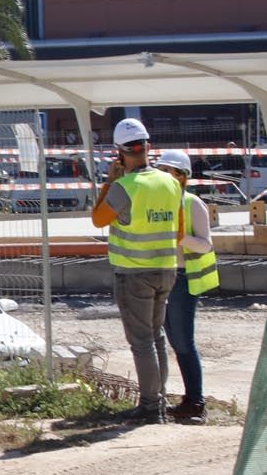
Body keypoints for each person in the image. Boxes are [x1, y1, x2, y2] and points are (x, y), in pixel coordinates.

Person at [90, 117, 184, 422]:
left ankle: (149, 407)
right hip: (166, 270)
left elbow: (98, 220)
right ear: (148, 148)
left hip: (133, 274)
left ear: (120, 153)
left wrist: (109, 181)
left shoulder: (123, 187)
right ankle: (158, 401)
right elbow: (179, 232)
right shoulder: (170, 182)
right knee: (156, 338)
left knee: (142, 341)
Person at [154, 150, 220, 423]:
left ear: (182, 177)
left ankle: (196, 402)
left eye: (168, 171)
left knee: (183, 341)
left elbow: (205, 244)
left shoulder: (192, 204)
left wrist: (181, 237)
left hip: (183, 278)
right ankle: (188, 400)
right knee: (172, 339)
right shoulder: (157, 202)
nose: (162, 177)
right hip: (161, 274)